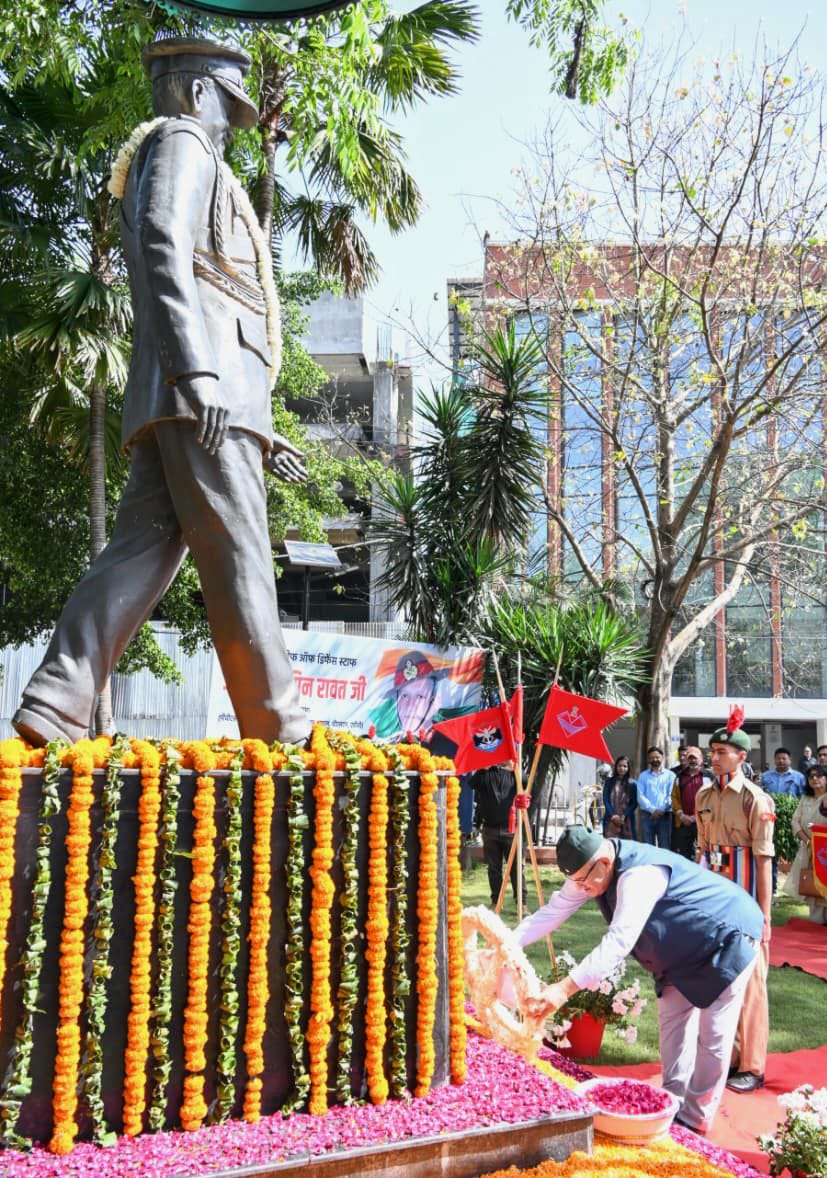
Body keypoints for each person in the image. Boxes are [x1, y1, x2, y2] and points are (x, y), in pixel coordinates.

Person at [12, 37, 311, 749]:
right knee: (240, 555)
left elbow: (216, 285)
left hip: (200, 394)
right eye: (227, 108)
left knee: (140, 554)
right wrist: (199, 373)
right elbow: (161, 240)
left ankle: (56, 701)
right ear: (200, 92)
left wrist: (256, 420)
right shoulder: (183, 140)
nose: (229, 126)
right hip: (201, 390)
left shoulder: (189, 151)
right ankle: (281, 729)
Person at [519, 825, 762, 1135]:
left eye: (583, 882)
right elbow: (552, 912)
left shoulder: (638, 876)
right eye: (574, 882)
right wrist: (505, 943)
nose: (580, 889)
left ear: (604, 863)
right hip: (678, 952)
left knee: (713, 1033)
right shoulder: (589, 870)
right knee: (672, 1026)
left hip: (726, 937)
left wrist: (564, 989)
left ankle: (695, 1121)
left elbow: (618, 943)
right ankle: (672, 1106)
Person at [695, 709, 774, 1094]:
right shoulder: (703, 795)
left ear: (742, 756)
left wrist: (764, 916)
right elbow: (702, 852)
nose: (714, 757)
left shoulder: (755, 799)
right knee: (718, 979)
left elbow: (764, 861)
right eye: (712, 751)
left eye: (722, 752)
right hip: (713, 901)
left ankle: (753, 1066)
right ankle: (728, 1056)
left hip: (744, 903)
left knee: (752, 982)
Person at [470, 760, 527, 907]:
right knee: (494, 869)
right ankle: (496, 902)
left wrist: (513, 767)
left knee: (516, 869)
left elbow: (525, 782)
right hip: (490, 830)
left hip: (511, 830)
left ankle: (522, 903)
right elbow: (472, 783)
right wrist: (483, 767)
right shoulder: (486, 773)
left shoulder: (513, 773)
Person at [783, 764, 827, 925]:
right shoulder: (805, 798)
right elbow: (795, 821)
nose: (815, 779)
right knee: (811, 883)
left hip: (824, 849)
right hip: (808, 848)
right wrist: (807, 841)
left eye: (819, 775)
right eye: (811, 776)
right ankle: (817, 923)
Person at [671, 746, 706, 860]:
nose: (693, 761)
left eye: (695, 758)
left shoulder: (708, 777)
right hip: (683, 822)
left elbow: (713, 800)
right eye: (690, 758)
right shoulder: (679, 777)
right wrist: (681, 815)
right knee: (684, 855)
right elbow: (674, 797)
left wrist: (697, 817)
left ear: (701, 759)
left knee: (704, 854)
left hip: (704, 822)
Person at [636, 746, 675, 848]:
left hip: (665, 815)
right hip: (647, 815)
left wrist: (661, 810)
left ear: (662, 757)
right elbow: (640, 796)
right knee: (648, 846)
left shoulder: (670, 775)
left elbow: (671, 795)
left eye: (657, 757)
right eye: (652, 757)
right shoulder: (643, 776)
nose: (655, 760)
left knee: (665, 846)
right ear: (648, 759)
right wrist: (653, 810)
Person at [602, 755, 638, 839]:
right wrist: (613, 815)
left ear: (628, 768)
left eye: (625, 766)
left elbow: (634, 803)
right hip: (610, 817)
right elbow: (606, 799)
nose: (622, 768)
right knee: (610, 843)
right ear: (616, 767)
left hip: (626, 819)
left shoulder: (633, 784)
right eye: (620, 766)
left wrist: (624, 815)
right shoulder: (609, 782)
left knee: (627, 844)